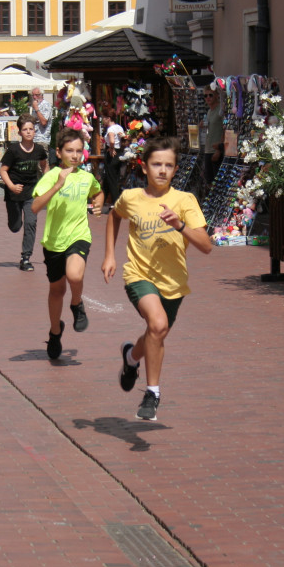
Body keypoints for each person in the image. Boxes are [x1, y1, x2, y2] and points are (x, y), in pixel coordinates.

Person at [101, 137, 212, 421]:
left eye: (168, 165)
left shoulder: (184, 201)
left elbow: (206, 245)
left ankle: (130, 357)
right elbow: (114, 216)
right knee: (158, 324)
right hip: (139, 275)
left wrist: (180, 225)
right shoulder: (131, 198)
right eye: (156, 164)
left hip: (174, 283)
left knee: (157, 333)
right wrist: (110, 256)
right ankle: (152, 393)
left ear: (175, 170)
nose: (162, 170)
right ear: (145, 167)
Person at [31, 127, 104, 360]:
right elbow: (35, 207)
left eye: (79, 151)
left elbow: (98, 192)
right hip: (53, 242)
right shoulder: (52, 175)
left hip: (79, 235)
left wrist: (99, 204)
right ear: (59, 152)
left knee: (74, 276)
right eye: (69, 151)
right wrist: (56, 186)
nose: (75, 155)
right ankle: (54, 333)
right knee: (56, 290)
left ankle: (77, 304)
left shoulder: (86, 177)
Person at [0, 114, 48, 272]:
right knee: (15, 226)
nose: (28, 132)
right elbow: (3, 170)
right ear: (19, 132)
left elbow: (44, 167)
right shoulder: (13, 150)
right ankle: (14, 221)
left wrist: (46, 184)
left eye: (31, 129)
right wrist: (12, 186)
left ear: (35, 131)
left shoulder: (39, 150)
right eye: (25, 130)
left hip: (31, 193)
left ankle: (26, 258)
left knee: (31, 222)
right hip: (13, 193)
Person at [101, 112, 126, 207]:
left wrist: (111, 148)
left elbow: (111, 140)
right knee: (109, 177)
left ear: (108, 118)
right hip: (119, 152)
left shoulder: (111, 129)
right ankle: (102, 199)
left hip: (112, 154)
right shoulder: (119, 127)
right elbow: (123, 137)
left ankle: (116, 202)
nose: (103, 120)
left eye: (104, 118)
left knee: (112, 178)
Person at [202, 88, 224, 186]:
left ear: (216, 95)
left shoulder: (220, 110)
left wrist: (219, 149)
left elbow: (225, 129)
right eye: (205, 96)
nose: (208, 98)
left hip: (216, 150)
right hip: (208, 150)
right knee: (209, 181)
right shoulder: (209, 112)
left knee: (217, 182)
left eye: (210, 95)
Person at [30, 87, 54, 164]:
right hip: (34, 139)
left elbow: (44, 122)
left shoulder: (45, 105)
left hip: (42, 139)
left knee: (42, 165)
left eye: (36, 95)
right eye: (33, 95)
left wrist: (36, 109)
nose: (34, 97)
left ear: (41, 95)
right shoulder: (36, 105)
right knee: (35, 166)